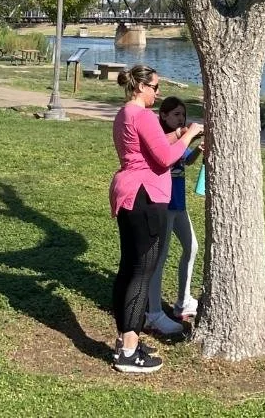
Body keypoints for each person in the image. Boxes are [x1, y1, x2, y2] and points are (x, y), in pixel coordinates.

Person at [109, 64, 202, 375]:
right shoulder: (143, 115)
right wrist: (189, 134)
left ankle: (126, 341)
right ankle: (129, 352)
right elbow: (165, 157)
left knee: (128, 270)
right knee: (141, 273)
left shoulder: (124, 114)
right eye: (155, 87)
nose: (158, 93)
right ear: (140, 87)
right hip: (145, 196)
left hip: (128, 192)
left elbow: (153, 148)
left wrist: (178, 135)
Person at [146, 96, 201, 334]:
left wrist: (198, 150)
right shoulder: (162, 138)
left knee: (192, 247)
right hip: (164, 205)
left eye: (183, 115)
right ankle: (153, 311)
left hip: (179, 205)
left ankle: (183, 301)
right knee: (161, 256)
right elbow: (163, 160)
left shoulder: (181, 138)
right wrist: (184, 136)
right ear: (164, 116)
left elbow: (186, 160)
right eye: (176, 114)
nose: (181, 119)